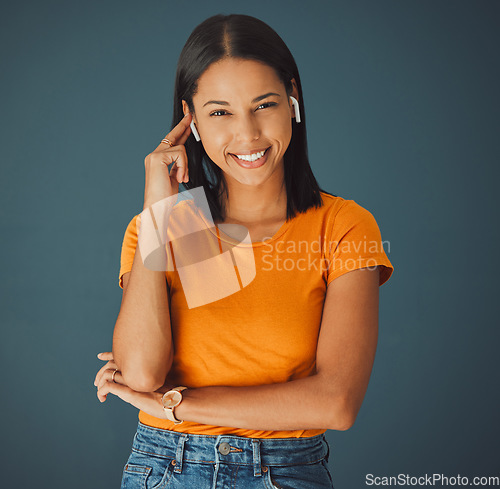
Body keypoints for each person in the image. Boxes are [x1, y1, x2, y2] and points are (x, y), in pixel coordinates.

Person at [93, 13, 394, 489]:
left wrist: (179, 404)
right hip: (165, 466)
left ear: (292, 99)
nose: (248, 133)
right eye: (219, 112)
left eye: (264, 105)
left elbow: (335, 404)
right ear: (188, 119)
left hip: (287, 470)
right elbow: (143, 373)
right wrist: (158, 212)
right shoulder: (169, 224)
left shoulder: (343, 227)